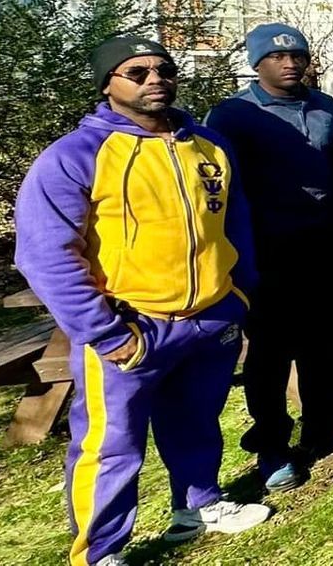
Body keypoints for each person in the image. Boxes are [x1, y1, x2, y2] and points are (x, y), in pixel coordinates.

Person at [17, 36, 270, 565]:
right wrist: (104, 332)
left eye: (164, 69)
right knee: (111, 446)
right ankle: (100, 551)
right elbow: (46, 254)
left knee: (197, 422)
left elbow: (235, 222)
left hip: (211, 318)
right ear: (107, 84)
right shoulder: (75, 156)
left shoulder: (208, 144)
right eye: (137, 72)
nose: (155, 79)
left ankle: (198, 506)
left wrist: (239, 293)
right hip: (132, 327)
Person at [204, 24, 333, 492]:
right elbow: (219, 187)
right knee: (271, 351)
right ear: (256, 63)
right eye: (278, 57)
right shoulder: (233, 115)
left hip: (326, 244)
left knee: (327, 341)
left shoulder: (323, 106)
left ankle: (327, 421)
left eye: (298, 56)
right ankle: (272, 444)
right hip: (268, 250)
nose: (290, 64)